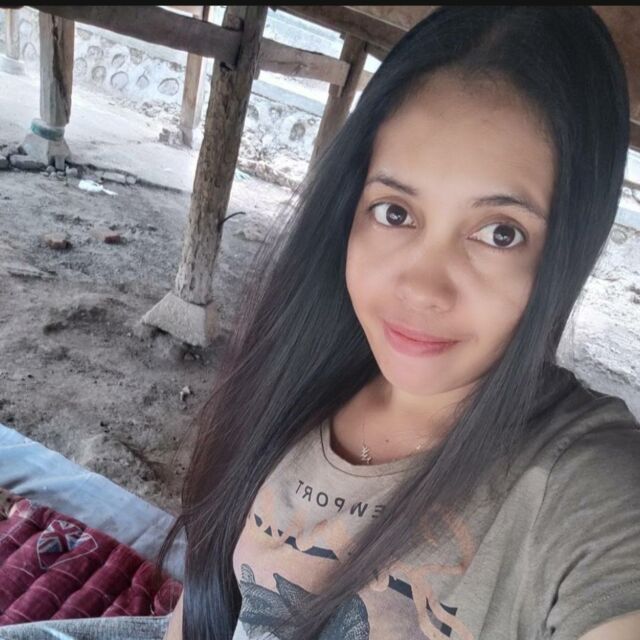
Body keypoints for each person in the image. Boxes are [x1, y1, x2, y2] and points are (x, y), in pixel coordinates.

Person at [1, 5, 638, 640]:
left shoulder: (586, 488)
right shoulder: (302, 375)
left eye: (500, 232)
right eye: (395, 212)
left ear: (569, 249)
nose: (420, 287)